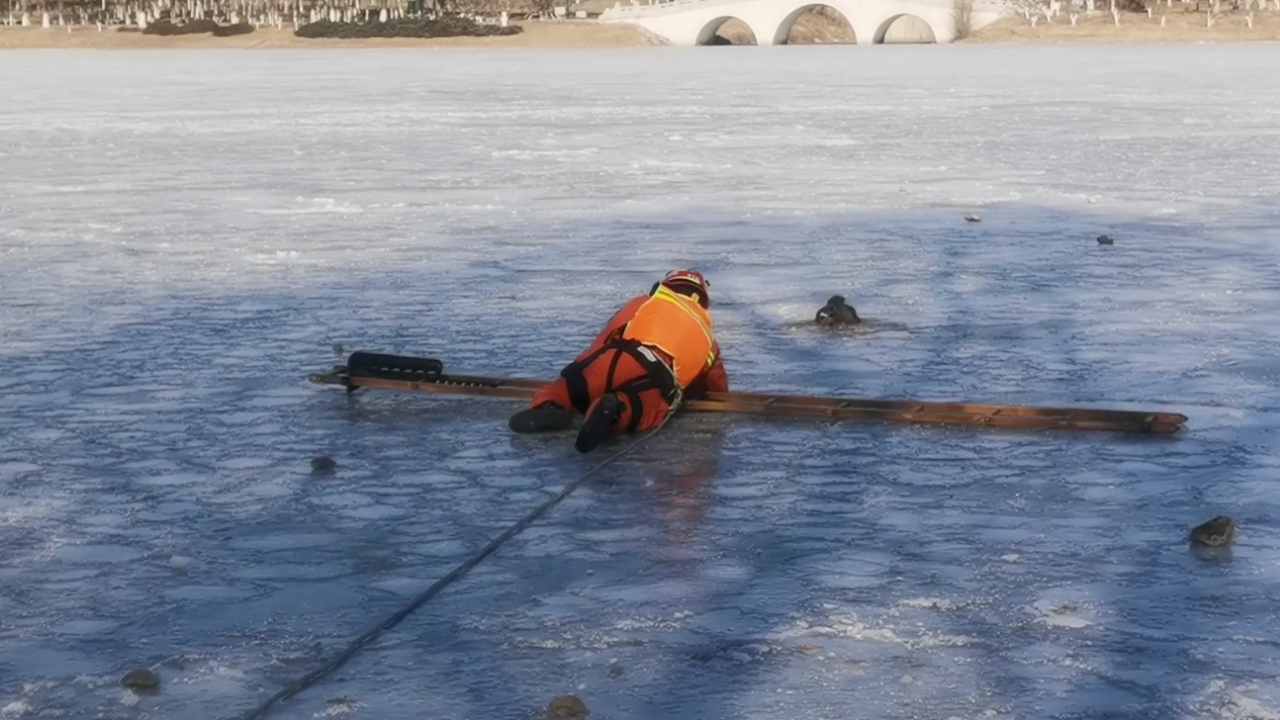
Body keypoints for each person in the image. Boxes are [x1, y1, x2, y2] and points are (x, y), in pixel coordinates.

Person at [508, 269, 729, 454]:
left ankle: (549, 404)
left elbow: (609, 333)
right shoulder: (707, 337)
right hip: (653, 373)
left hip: (616, 354)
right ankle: (613, 409)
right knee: (641, 406)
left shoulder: (645, 303)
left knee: (569, 388)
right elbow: (715, 384)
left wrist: (581, 369)